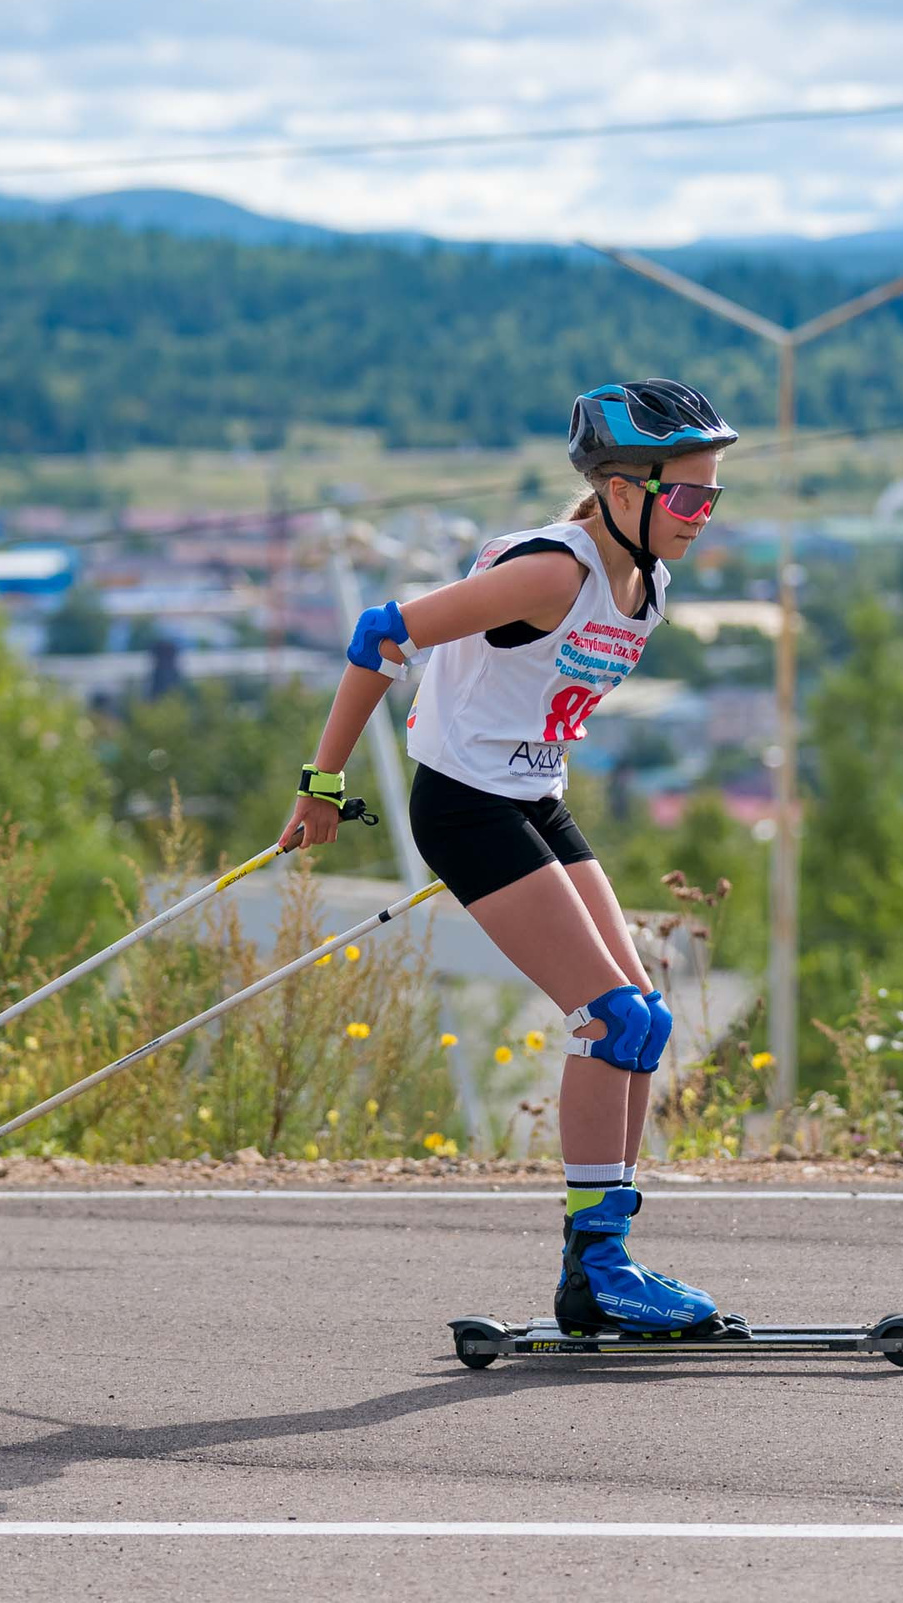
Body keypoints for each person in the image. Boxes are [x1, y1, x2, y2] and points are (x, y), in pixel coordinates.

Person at [282, 378, 742, 1337]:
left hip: (534, 797)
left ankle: (603, 1263)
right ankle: (598, 1270)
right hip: (467, 808)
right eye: (688, 496)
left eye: (714, 497)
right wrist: (321, 787)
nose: (702, 517)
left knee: (644, 1023)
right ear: (622, 491)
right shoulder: (553, 573)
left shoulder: (646, 579)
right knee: (609, 1017)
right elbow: (381, 633)